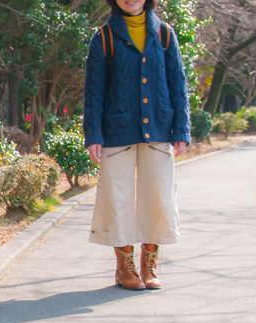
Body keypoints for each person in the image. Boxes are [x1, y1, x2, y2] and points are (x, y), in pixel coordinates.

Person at [83, 0, 191, 290]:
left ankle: (149, 265)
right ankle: (124, 268)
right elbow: (93, 91)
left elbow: (178, 85)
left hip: (159, 129)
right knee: (117, 200)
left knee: (158, 197)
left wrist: (181, 128)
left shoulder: (165, 34)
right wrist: (93, 134)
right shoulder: (103, 37)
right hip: (116, 131)